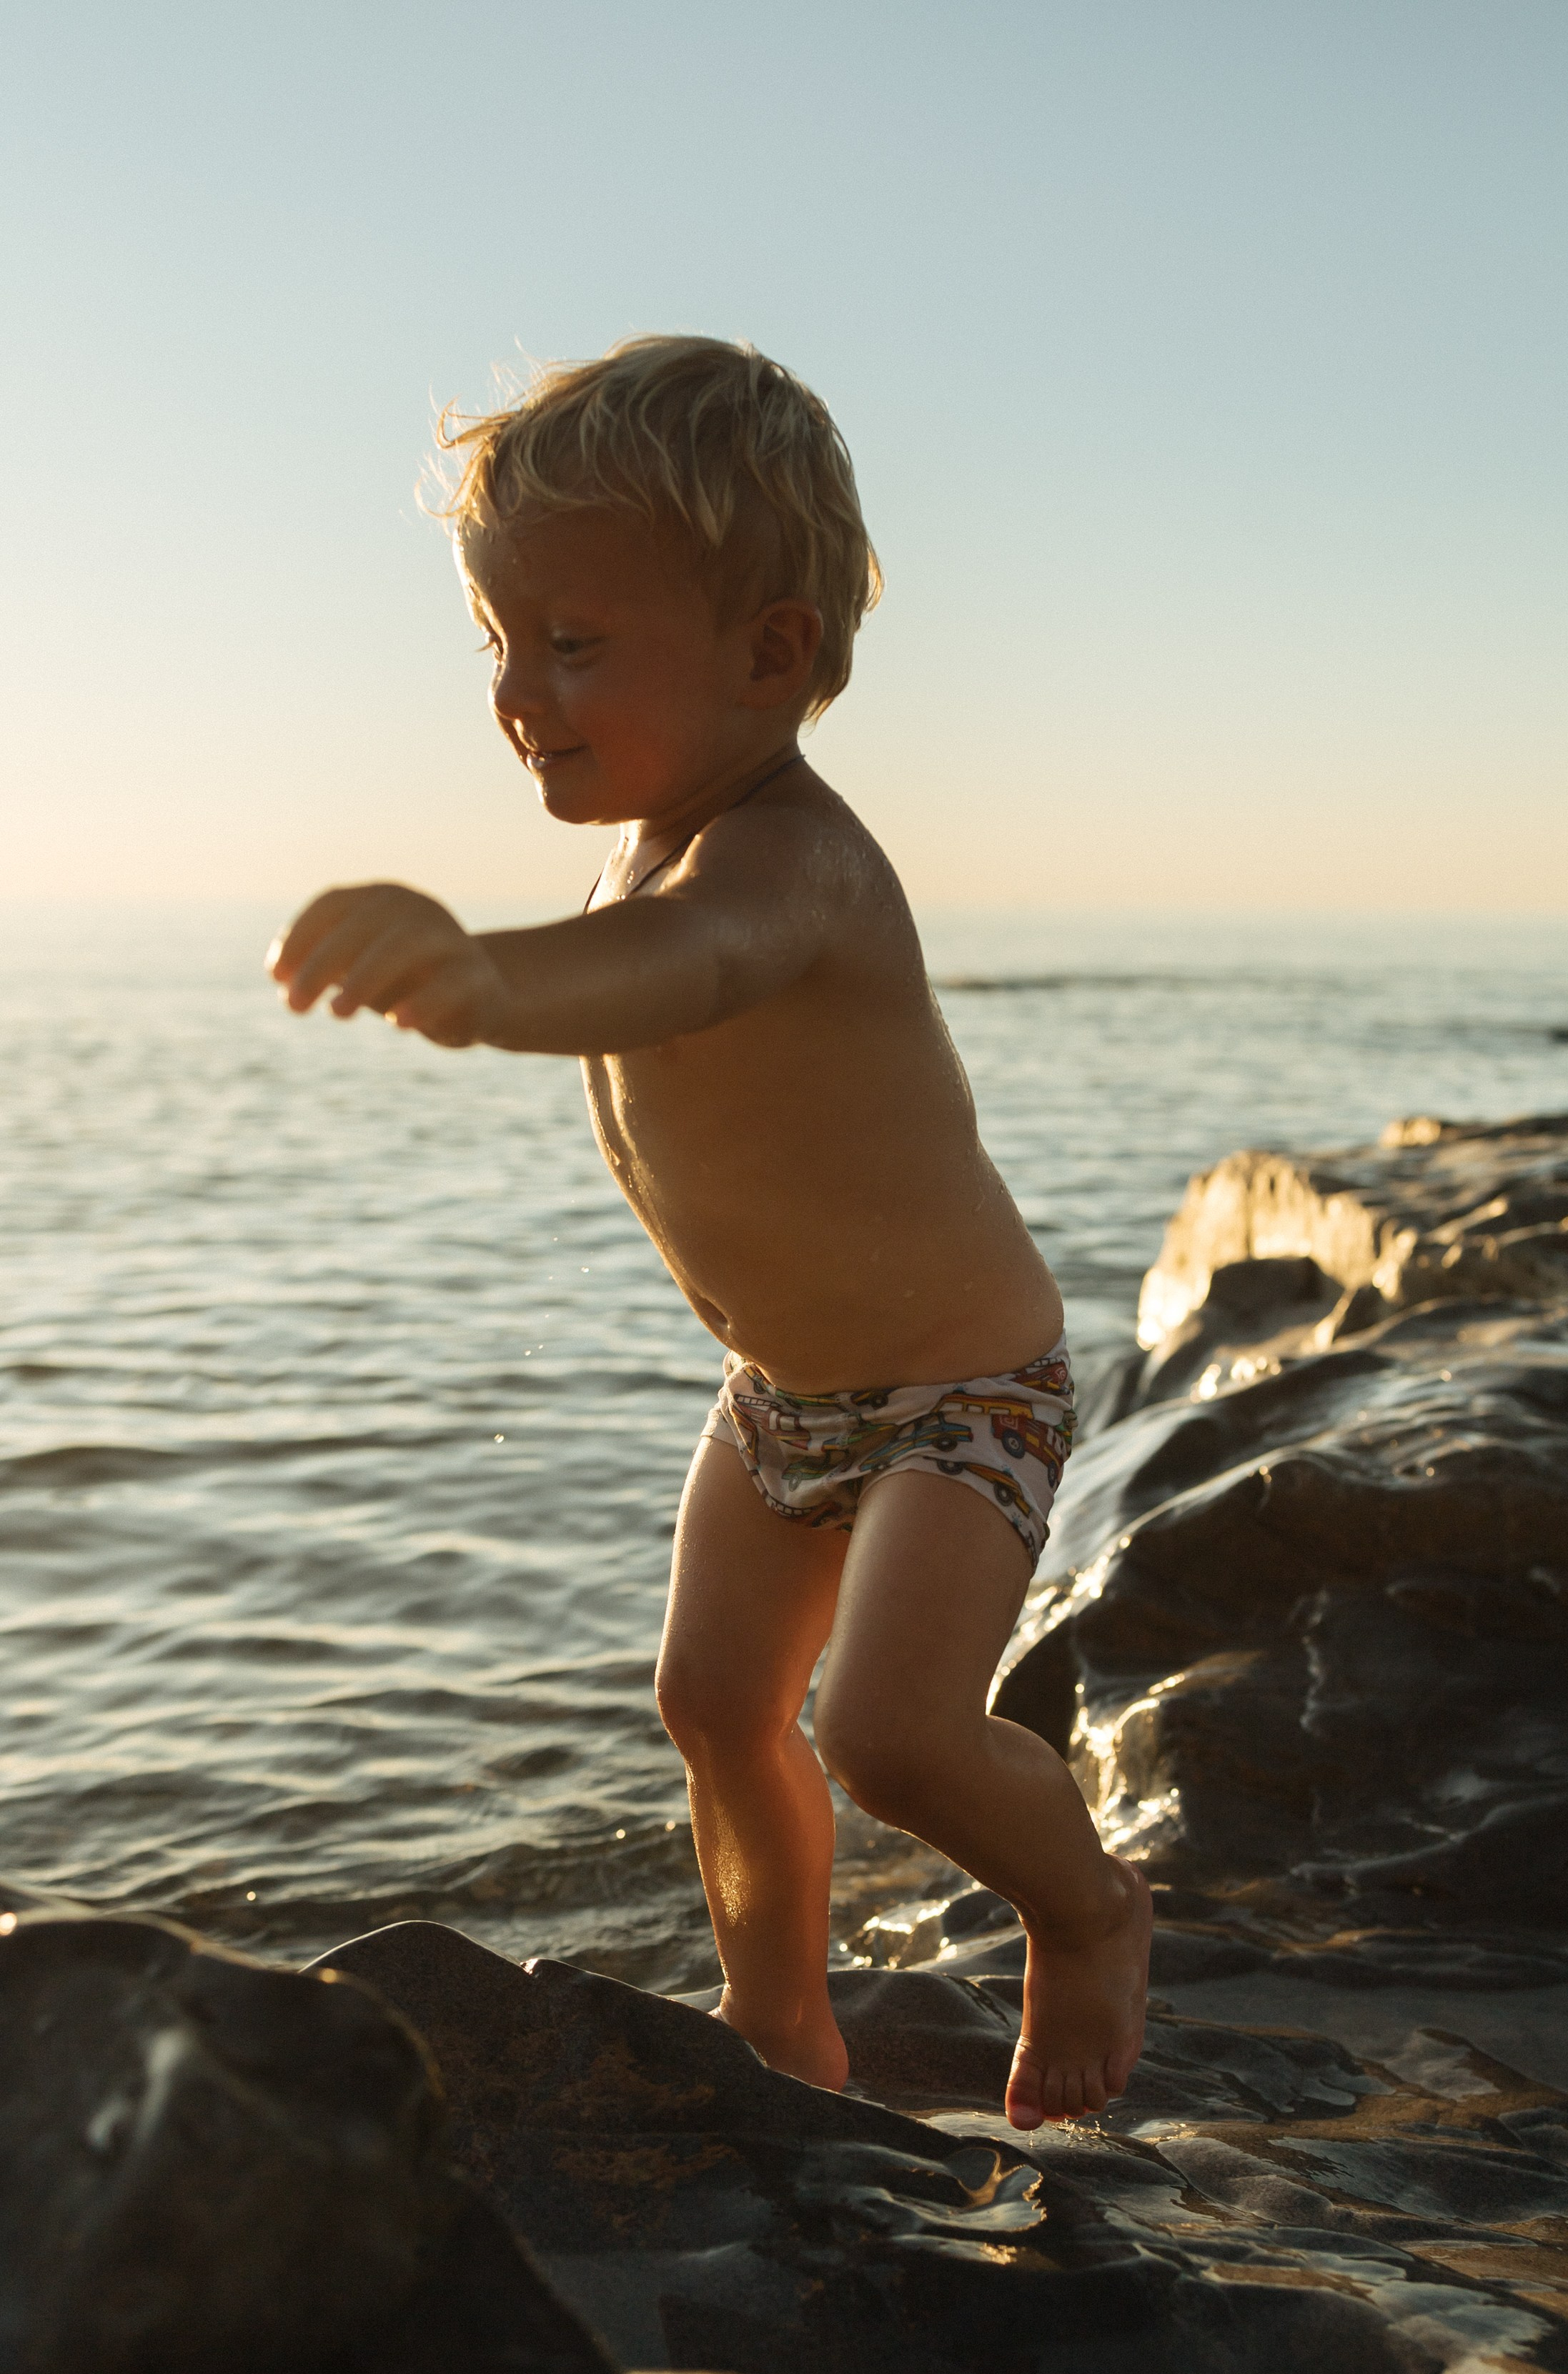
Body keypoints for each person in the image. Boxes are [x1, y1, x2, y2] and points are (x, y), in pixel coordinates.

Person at [268, 334, 1151, 2129]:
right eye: (498, 642)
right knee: (711, 1704)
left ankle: (1087, 1911)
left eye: (573, 643)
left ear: (771, 654)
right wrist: (505, 964)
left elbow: (684, 966)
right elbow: (640, 945)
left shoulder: (787, 863)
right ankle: (776, 2020)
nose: (520, 692)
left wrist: (484, 975)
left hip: (959, 1396)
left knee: (887, 1734)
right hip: (778, 1399)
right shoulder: (643, 849)